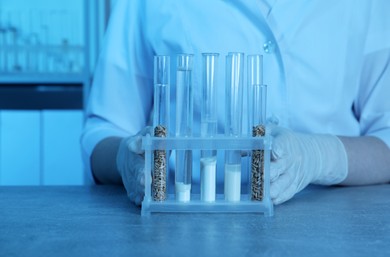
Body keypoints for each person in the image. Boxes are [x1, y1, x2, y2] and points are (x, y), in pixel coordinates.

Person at [81, 0, 390, 206]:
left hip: (335, 229)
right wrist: (124, 159)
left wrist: (321, 157)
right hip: (185, 231)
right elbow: (102, 131)